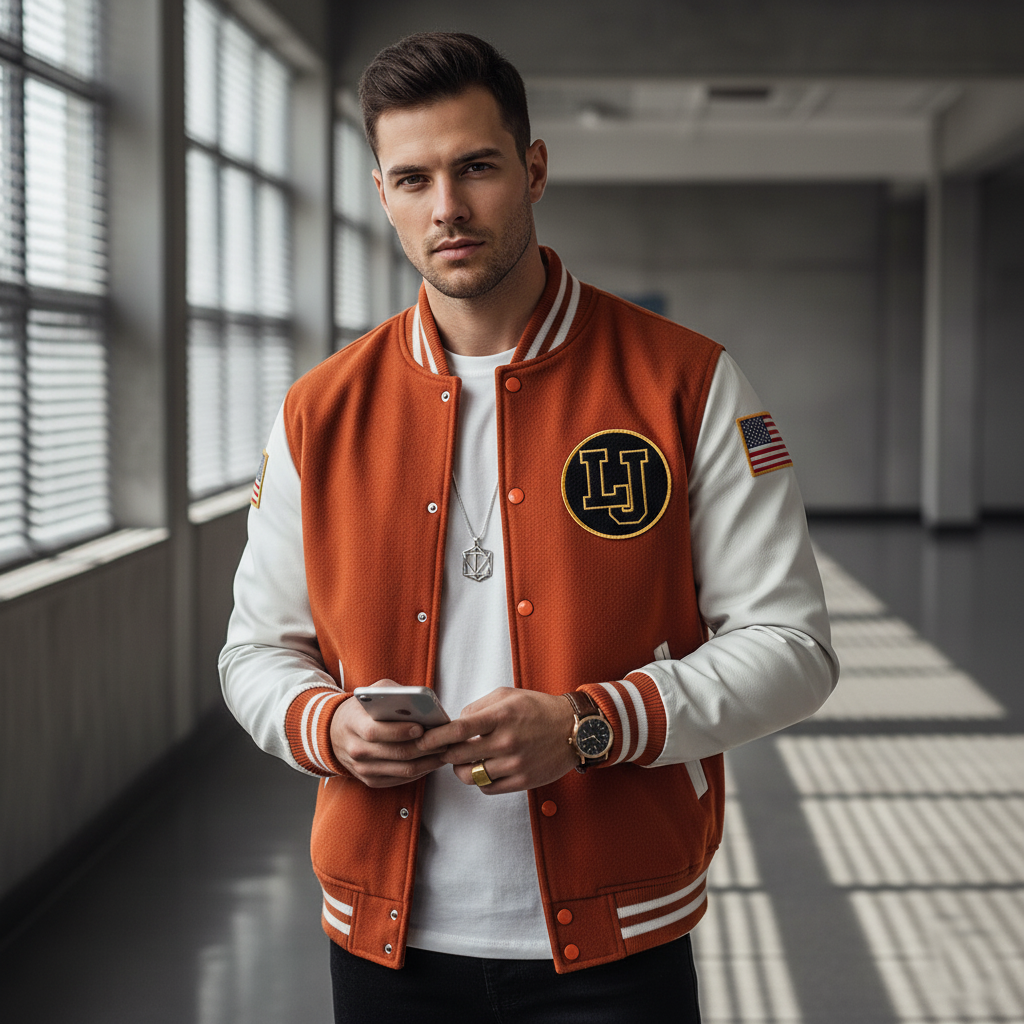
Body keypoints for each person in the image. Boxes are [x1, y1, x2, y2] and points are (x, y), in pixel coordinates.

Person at [219, 31, 839, 1024]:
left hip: (621, 937)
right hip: (384, 946)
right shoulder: (317, 411)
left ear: (534, 167)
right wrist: (327, 726)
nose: (447, 208)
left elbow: (792, 647)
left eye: (475, 167)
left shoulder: (686, 382)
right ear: (381, 194)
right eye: (413, 179)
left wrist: (591, 721)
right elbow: (256, 651)